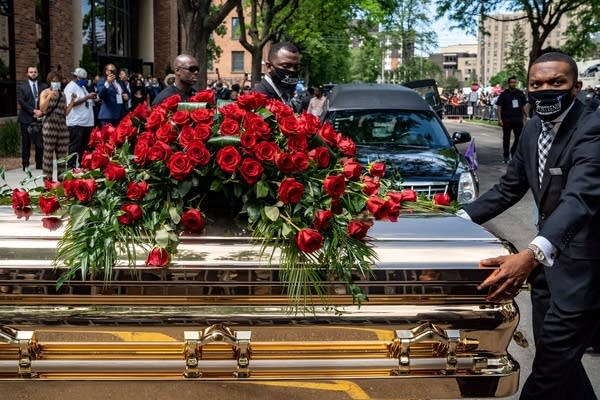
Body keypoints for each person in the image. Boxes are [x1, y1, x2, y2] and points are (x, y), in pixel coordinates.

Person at [460, 52, 600, 400]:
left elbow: (579, 200)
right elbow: (509, 188)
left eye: (557, 83)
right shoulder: (533, 127)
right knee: (562, 365)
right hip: (545, 277)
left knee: (549, 372)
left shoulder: (593, 129)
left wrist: (531, 253)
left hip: (584, 271)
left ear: (576, 87)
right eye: (536, 84)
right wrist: (456, 219)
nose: (545, 90)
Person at [38, 71, 72, 180]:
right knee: (48, 155)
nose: (56, 83)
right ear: (50, 81)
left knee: (62, 156)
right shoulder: (45, 92)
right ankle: (47, 182)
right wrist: (49, 97)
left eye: (57, 81)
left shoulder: (63, 94)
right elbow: (42, 109)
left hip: (62, 126)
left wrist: (72, 102)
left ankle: (62, 182)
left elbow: (65, 112)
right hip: (49, 126)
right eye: (53, 81)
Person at [253, 42, 302, 113]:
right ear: (269, 66)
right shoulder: (257, 98)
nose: (292, 71)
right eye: (285, 66)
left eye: (296, 67)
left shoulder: (286, 94)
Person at [63, 67, 96, 168]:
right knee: (74, 147)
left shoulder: (82, 87)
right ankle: (71, 167)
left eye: (85, 79)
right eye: (82, 79)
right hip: (76, 122)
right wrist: (87, 97)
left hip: (86, 122)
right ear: (76, 77)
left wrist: (92, 98)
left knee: (84, 148)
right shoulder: (70, 87)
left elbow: (86, 100)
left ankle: (83, 166)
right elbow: (72, 103)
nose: (84, 81)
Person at [17, 65, 48, 171]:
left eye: (35, 72)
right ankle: (25, 164)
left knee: (40, 142)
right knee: (26, 142)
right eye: (31, 72)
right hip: (26, 118)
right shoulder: (22, 87)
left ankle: (39, 164)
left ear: (37, 73)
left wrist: (41, 112)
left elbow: (48, 101)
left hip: (40, 118)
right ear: (27, 74)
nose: (33, 73)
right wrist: (34, 111)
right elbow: (22, 102)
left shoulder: (43, 86)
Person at [496, 76, 528, 163]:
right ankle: (506, 156)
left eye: (514, 82)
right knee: (506, 139)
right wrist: (499, 119)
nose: (513, 84)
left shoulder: (520, 93)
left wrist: (527, 116)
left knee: (518, 138)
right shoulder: (504, 94)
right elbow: (499, 107)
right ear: (508, 83)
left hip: (517, 119)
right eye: (511, 82)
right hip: (506, 119)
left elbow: (524, 106)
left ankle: (513, 153)